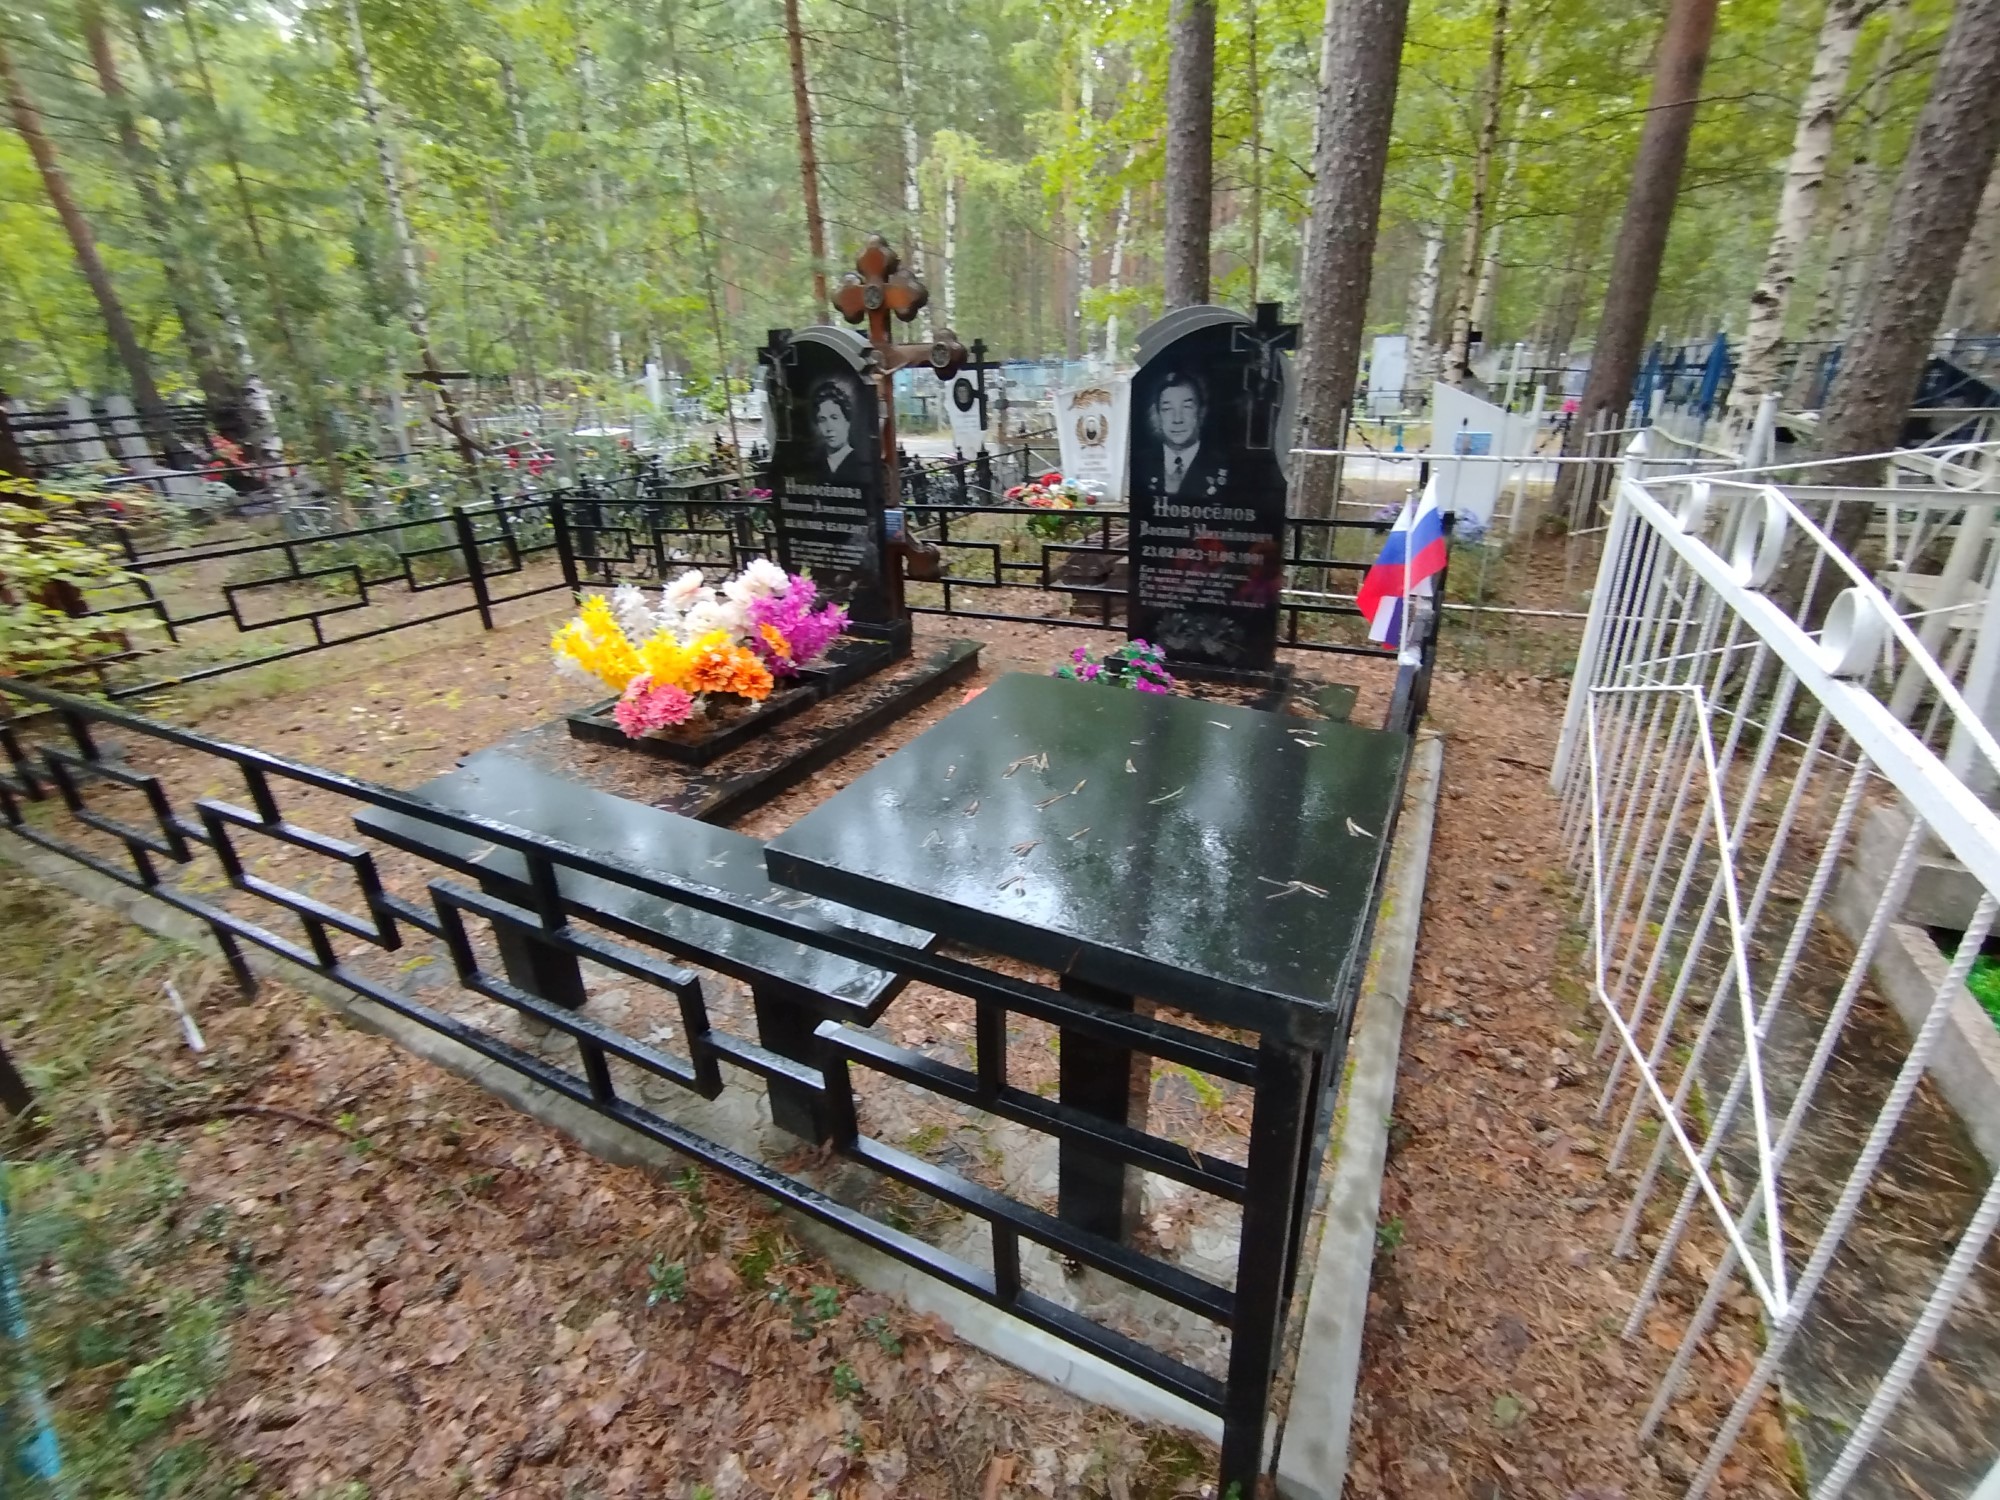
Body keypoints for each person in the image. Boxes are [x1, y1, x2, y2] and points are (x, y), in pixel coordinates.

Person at [1133, 372, 1233, 503]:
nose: (1177, 419)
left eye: (1187, 407)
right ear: (1157, 415)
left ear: (1201, 412)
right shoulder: (1139, 465)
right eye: (1167, 409)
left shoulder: (1224, 466)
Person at [811, 380, 861, 485]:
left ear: (847, 421)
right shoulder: (813, 465)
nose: (829, 428)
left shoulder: (861, 463)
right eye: (822, 420)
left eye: (834, 418)